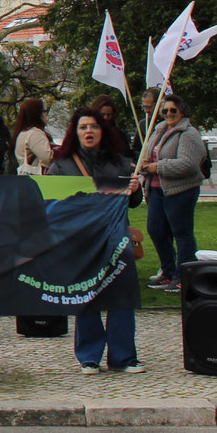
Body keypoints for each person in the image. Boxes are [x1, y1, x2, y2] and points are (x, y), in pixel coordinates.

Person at [51, 108, 146, 373]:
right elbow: (52, 205)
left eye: (94, 126)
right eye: (83, 127)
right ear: (75, 132)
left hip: (115, 238)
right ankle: (89, 356)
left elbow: (133, 202)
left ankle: (124, 356)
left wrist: (135, 189)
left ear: (103, 131)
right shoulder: (62, 165)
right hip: (81, 240)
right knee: (86, 296)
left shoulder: (121, 164)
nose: (89, 131)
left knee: (121, 298)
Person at [139, 93, 207, 292]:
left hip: (180, 191)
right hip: (156, 190)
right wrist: (145, 164)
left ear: (182, 112)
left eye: (173, 110)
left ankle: (184, 274)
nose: (168, 113)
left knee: (182, 233)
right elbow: (149, 155)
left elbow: (188, 164)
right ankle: (167, 271)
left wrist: (157, 167)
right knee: (156, 230)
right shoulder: (159, 130)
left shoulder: (188, 133)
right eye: (165, 110)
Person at [87, 93, 138, 158]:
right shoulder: (88, 133)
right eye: (102, 114)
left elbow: (127, 155)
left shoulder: (119, 135)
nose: (105, 118)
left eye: (109, 115)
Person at [13, 98, 54, 175]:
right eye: (44, 111)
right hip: (37, 178)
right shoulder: (35, 133)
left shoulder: (23, 133)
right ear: (37, 114)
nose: (46, 114)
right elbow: (48, 158)